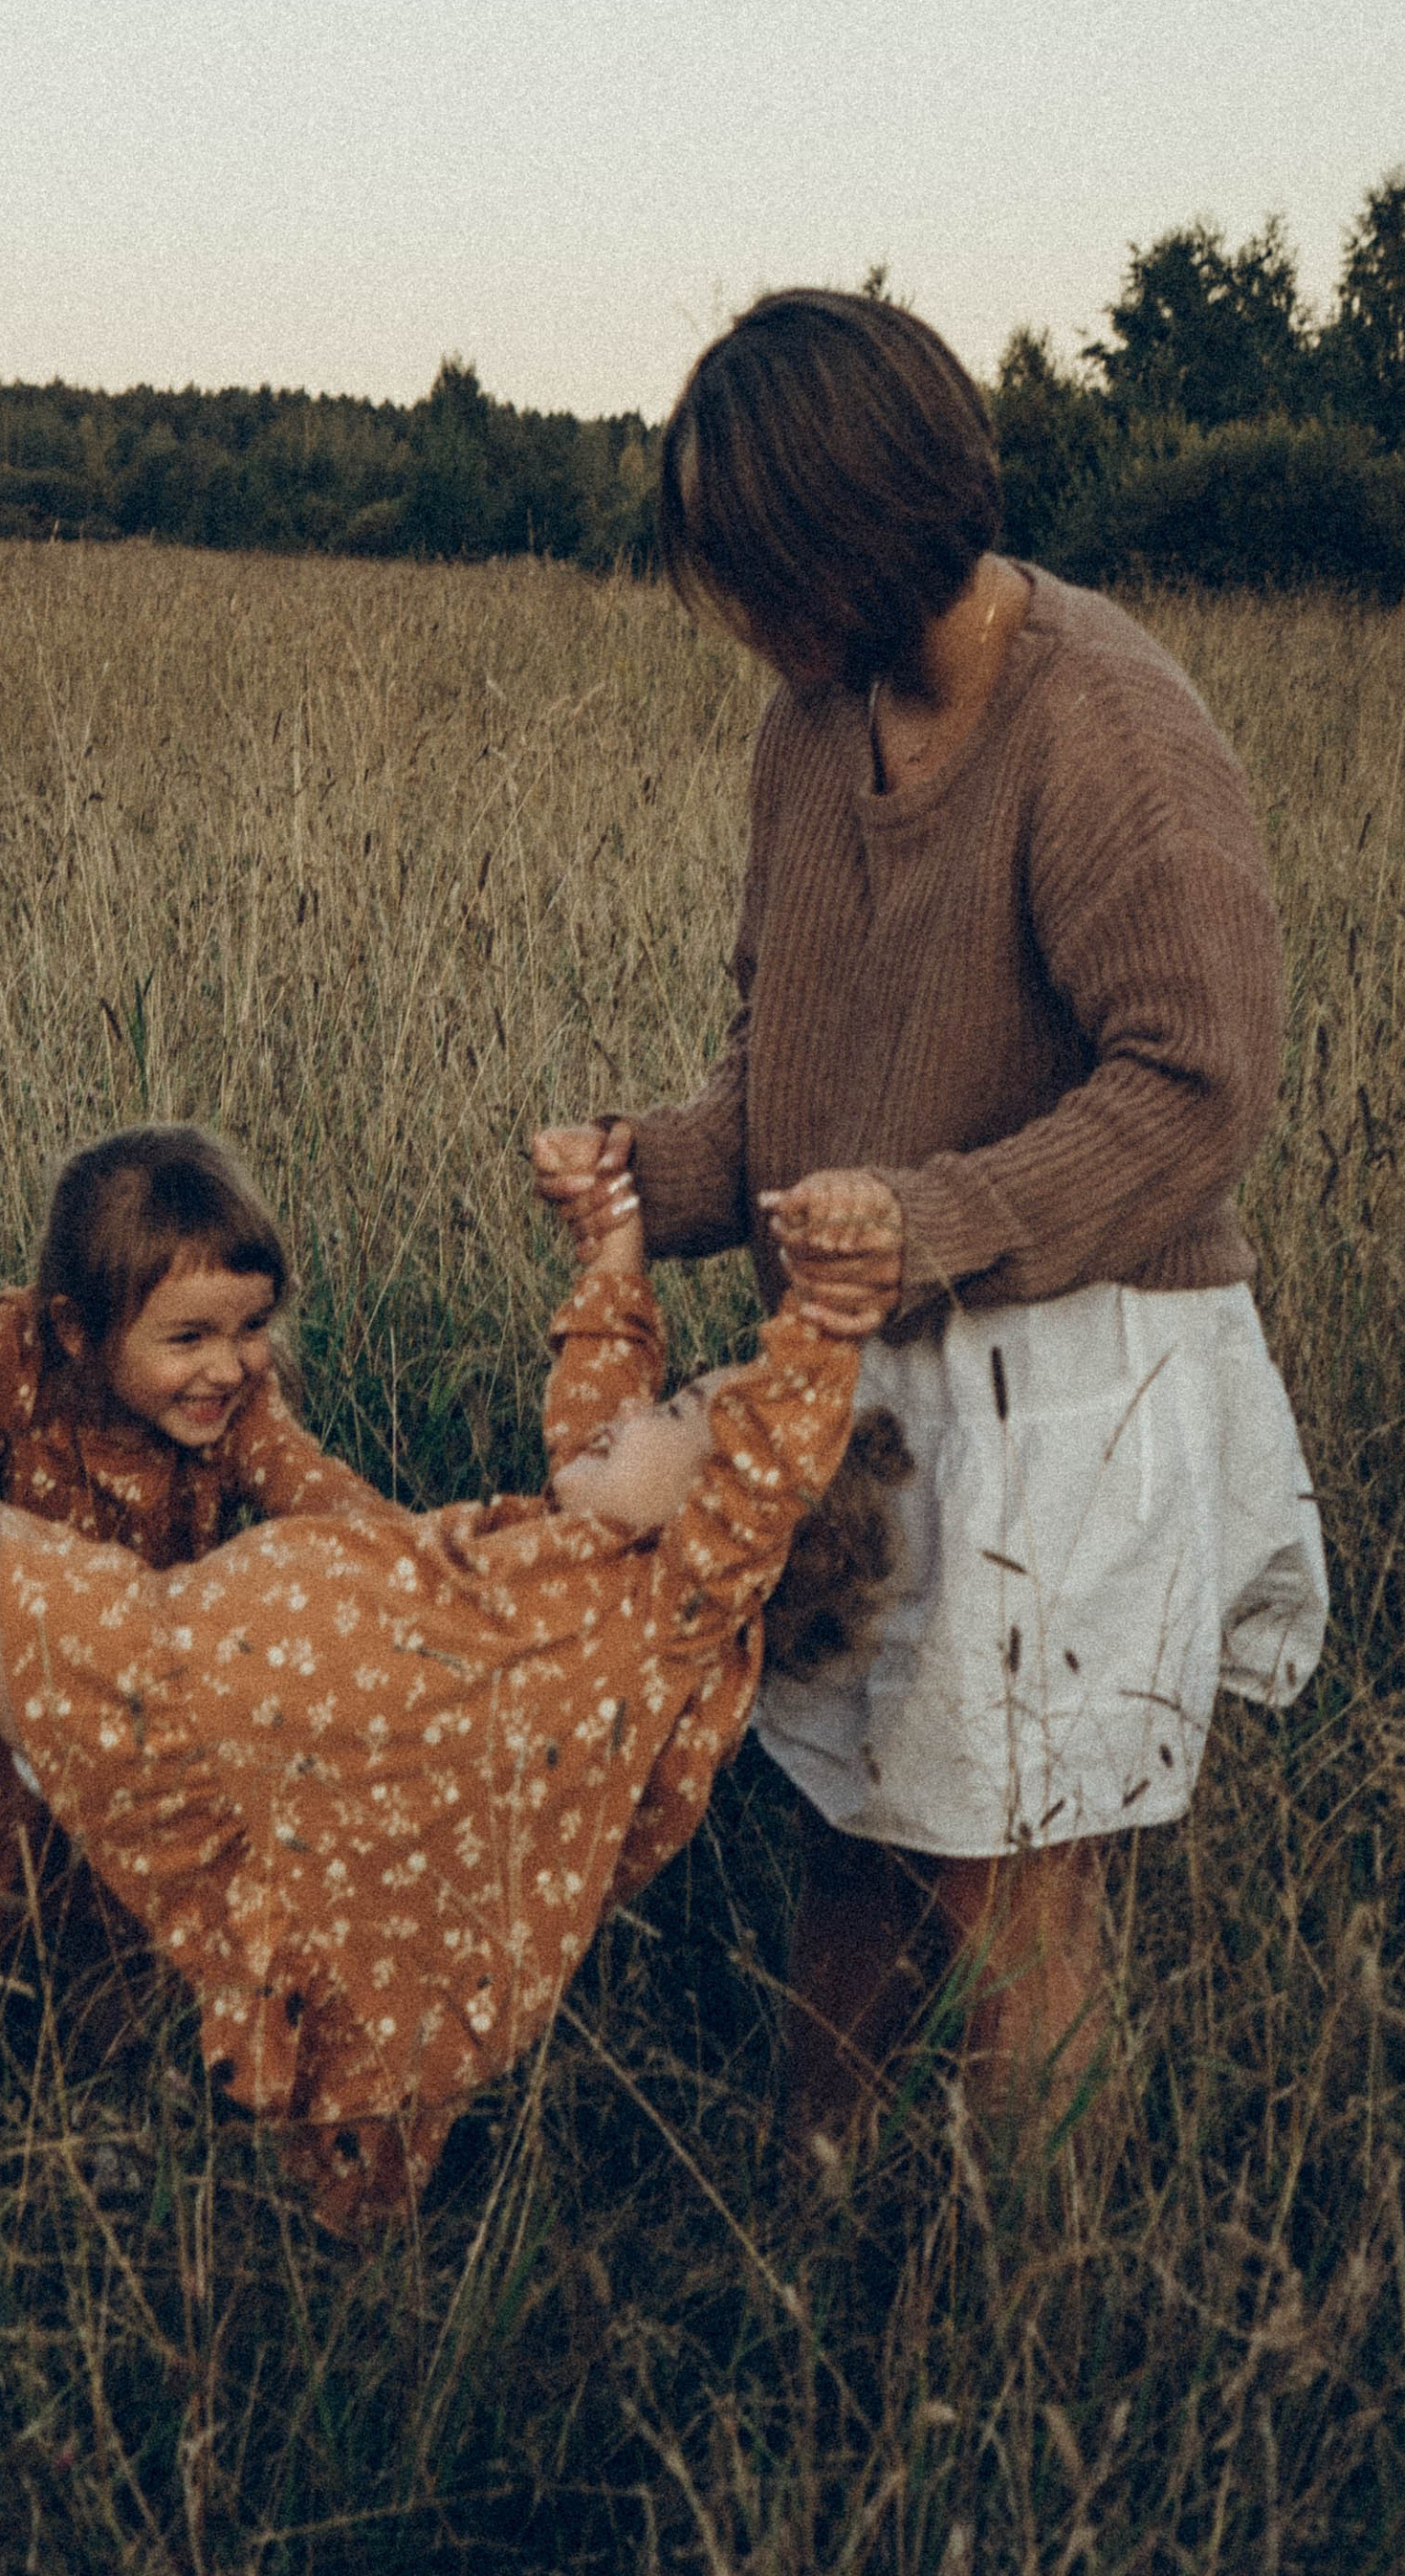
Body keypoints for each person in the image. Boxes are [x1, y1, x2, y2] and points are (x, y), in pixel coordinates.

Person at [532, 286, 1327, 2154]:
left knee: (1010, 1898)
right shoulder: (808, 732)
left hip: (1075, 1386)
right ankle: (814, 2262)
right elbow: (795, 1099)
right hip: (874, 1387)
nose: (728, 610)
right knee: (848, 1838)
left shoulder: (1100, 721)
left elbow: (1197, 1082)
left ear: (853, 532)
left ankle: (1045, 2343)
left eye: (747, 563)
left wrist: (932, 1218)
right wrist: (644, 1171)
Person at [0, 1173, 908, 2231]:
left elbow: (767, 1456)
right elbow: (595, 1399)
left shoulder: (679, 1609)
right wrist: (613, 1243)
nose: (636, 1411)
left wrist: (832, 1312)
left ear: (737, 1515)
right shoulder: (605, 1544)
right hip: (174, 1653)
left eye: (676, 1414)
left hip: (187, 1716)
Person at [0, 1126, 383, 2182]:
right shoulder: (13, 1350)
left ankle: (108, 2134)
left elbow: (326, 1497)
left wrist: (426, 1564)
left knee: (140, 1916)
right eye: (189, 1337)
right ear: (77, 1329)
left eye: (251, 1326)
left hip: (132, 1698)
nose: (228, 1365)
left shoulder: (237, 1408)